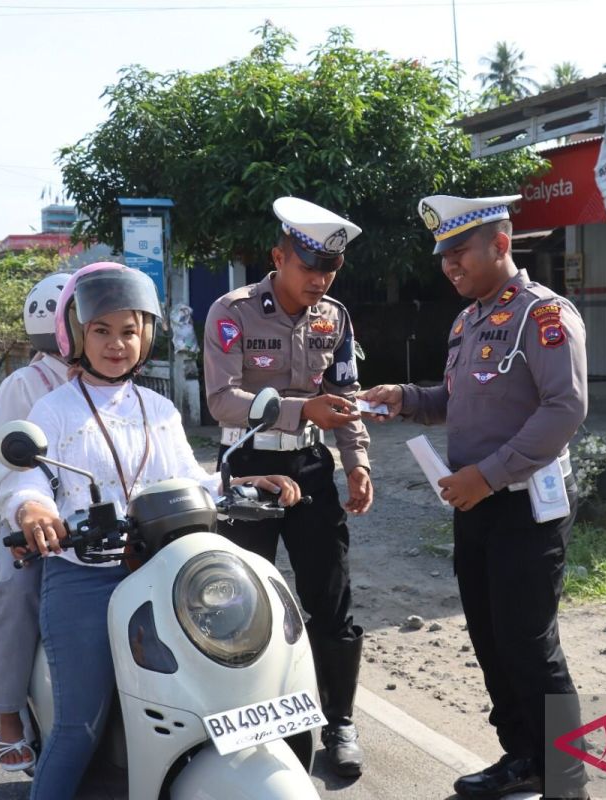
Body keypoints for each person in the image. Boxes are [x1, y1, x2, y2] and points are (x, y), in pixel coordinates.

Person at [0, 263, 299, 799]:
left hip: (163, 573)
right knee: (78, 727)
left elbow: (186, 478)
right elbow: (24, 480)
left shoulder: (159, 408)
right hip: (84, 578)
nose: (117, 344)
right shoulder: (54, 408)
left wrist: (242, 480)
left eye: (129, 331)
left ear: (147, 337)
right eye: (102, 331)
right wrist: (33, 510)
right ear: (77, 335)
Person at [361, 194, 590, 799]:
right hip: (476, 503)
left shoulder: (543, 314)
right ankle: (523, 758)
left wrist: (487, 475)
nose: (449, 266)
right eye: (444, 256)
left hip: (524, 504)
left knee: (529, 642)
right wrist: (406, 397)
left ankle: (567, 778)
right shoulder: (469, 320)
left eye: (460, 251)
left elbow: (564, 408)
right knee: (491, 637)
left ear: (502, 244)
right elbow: (460, 400)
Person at [202, 196, 373, 777]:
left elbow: (346, 399)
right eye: (309, 267)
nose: (320, 280)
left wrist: (357, 464)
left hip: (310, 471)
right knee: (245, 605)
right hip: (248, 467)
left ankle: (339, 722)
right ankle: (249, 726)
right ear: (279, 256)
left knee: (332, 600)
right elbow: (221, 399)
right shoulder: (233, 311)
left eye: (330, 269)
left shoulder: (336, 317)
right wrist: (303, 411)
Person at [0, 271, 69, 771]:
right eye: (92, 322)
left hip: (104, 525)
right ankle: (9, 717)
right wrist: (28, 513)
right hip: (35, 527)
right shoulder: (24, 386)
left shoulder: (116, 382)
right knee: (15, 596)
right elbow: (11, 475)